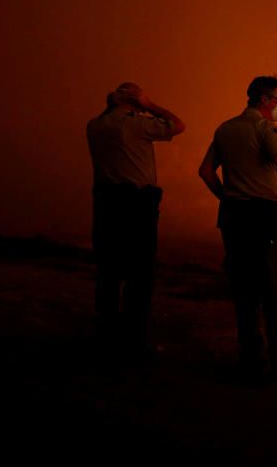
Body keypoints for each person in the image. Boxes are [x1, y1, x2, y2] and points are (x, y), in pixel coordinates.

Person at [198, 76, 277, 381]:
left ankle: (250, 360)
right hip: (264, 218)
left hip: (232, 217)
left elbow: (205, 171)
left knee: (244, 292)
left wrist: (227, 197)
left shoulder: (225, 129)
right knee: (272, 291)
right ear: (265, 99)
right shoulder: (266, 129)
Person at [86, 82, 185, 361]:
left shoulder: (94, 126)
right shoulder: (136, 125)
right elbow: (178, 125)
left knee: (108, 272)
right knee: (139, 275)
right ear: (134, 102)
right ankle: (133, 342)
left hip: (106, 203)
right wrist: (150, 105)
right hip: (136, 206)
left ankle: (106, 337)